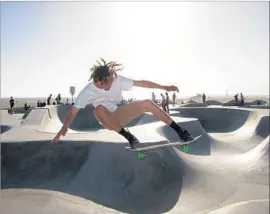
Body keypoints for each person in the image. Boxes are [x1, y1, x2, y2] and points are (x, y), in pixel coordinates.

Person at [51, 59, 194, 148]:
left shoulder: (117, 79)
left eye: (111, 81)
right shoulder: (87, 91)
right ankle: (130, 138)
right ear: (97, 80)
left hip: (120, 113)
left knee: (147, 103)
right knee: (99, 109)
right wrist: (64, 128)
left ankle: (180, 131)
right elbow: (73, 112)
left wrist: (164, 87)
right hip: (106, 120)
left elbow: (142, 83)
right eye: (105, 83)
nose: (109, 85)